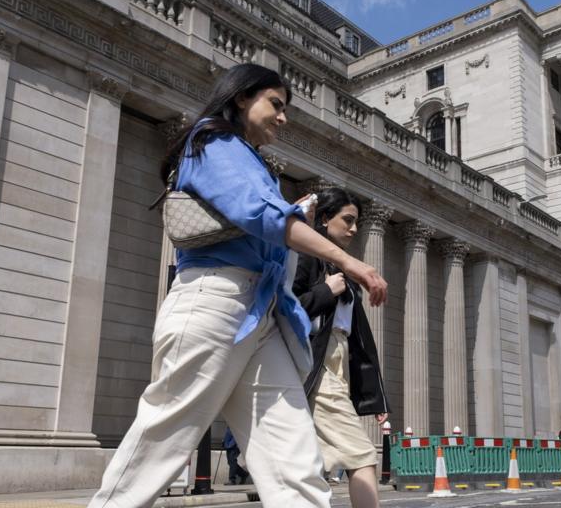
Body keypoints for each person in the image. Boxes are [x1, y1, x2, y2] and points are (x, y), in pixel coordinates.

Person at [87, 64, 387, 508]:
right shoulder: (213, 141)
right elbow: (265, 217)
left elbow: (269, 228)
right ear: (243, 97)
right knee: (163, 441)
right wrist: (347, 260)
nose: (283, 118)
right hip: (215, 302)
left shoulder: (251, 160)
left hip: (262, 318)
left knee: (294, 461)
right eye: (276, 105)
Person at [293, 188, 390, 508]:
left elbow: (359, 342)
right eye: (347, 220)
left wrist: (376, 396)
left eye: (356, 222)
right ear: (323, 219)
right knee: (361, 454)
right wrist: (324, 292)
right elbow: (282, 306)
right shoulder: (307, 256)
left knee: (305, 462)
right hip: (315, 361)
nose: (353, 229)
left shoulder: (344, 271)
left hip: (338, 362)